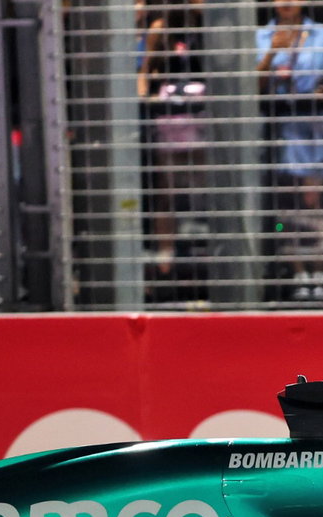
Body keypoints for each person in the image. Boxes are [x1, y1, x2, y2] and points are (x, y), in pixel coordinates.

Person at [256, 0, 323, 300]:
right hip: (280, 126)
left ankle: (319, 272)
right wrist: (271, 51)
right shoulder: (262, 35)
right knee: (285, 209)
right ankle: (296, 271)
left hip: (314, 126)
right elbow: (253, 83)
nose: (285, 4)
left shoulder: (322, 34)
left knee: (313, 201)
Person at [138, 0, 210, 302]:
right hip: (168, 117)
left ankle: (208, 253)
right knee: (166, 190)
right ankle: (166, 257)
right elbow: (145, 71)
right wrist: (143, 99)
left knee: (206, 186)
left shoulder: (210, 25)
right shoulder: (160, 28)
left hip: (203, 116)